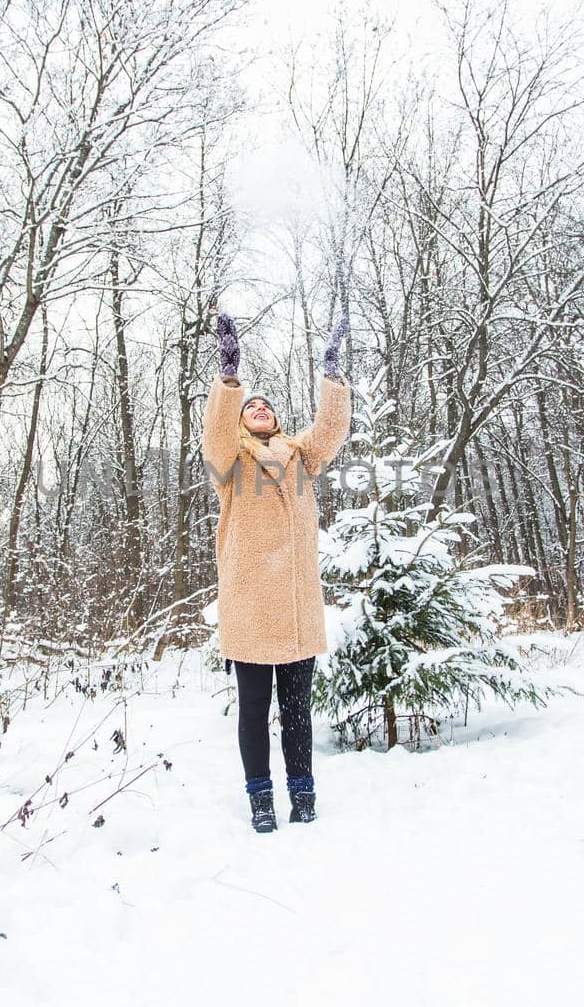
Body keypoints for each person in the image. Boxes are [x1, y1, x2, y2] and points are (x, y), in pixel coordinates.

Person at [201, 310, 352, 833]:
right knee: (253, 712)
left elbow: (330, 428)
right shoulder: (230, 461)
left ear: (278, 420)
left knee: (296, 711)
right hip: (248, 604)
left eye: (265, 405)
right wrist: (229, 376)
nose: (258, 408)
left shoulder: (300, 457)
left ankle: (303, 795)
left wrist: (331, 373)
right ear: (242, 422)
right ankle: (260, 800)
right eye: (251, 407)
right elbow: (217, 429)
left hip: (294, 606)